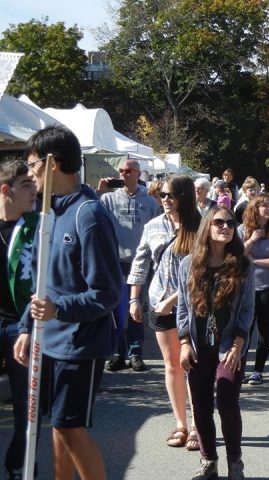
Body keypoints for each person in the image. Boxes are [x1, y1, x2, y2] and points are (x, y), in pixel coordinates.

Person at [14, 126, 121, 480]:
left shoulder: (88, 215)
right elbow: (42, 283)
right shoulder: (48, 214)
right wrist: (28, 326)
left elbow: (107, 292)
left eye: (33, 166)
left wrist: (59, 309)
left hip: (80, 344)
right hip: (49, 341)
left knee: (70, 428)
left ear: (53, 163)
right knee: (59, 427)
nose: (30, 174)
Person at [177, 206, 254, 480]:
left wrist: (237, 345)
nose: (226, 227)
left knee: (227, 401)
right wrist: (184, 342)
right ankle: (209, 460)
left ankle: (235, 463)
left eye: (230, 223)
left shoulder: (243, 266)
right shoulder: (188, 265)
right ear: (207, 227)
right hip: (198, 346)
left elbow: (247, 310)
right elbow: (182, 308)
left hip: (229, 345)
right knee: (200, 405)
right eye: (219, 222)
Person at [127, 175, 202, 449]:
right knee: (171, 364)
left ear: (184, 196)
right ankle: (180, 424)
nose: (165, 200)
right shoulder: (153, 226)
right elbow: (140, 263)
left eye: (171, 195)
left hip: (192, 305)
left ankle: (197, 425)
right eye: (162, 195)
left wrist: (173, 300)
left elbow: (202, 271)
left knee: (191, 364)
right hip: (159, 302)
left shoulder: (201, 226)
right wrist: (134, 299)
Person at [97, 159, 162, 372]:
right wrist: (99, 192)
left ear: (138, 174)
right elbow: (93, 219)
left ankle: (135, 352)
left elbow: (157, 231)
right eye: (121, 171)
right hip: (115, 261)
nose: (124, 174)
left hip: (140, 263)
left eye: (128, 171)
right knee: (117, 309)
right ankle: (117, 352)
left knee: (136, 309)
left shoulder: (150, 202)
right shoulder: (108, 199)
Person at [1, 160, 37, 479]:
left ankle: (21, 465)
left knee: (27, 406)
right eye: (26, 185)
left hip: (21, 325)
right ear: (6, 190)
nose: (34, 190)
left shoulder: (37, 227)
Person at [238, 194, 269, 385]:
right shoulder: (242, 230)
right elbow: (236, 255)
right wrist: (252, 240)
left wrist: (254, 261)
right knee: (243, 330)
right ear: (255, 208)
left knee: (264, 331)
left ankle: (258, 371)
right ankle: (239, 368)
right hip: (245, 287)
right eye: (264, 205)